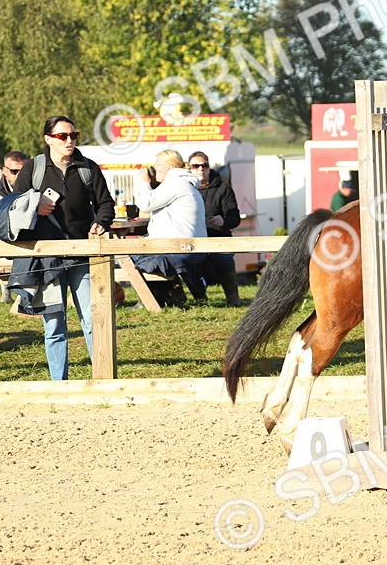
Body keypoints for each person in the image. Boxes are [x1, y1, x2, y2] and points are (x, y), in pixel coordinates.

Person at [13, 116, 115, 380]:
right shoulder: (32, 168)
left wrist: (100, 223)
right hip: (47, 259)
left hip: (81, 256)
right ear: (48, 139)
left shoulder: (87, 168)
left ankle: (102, 379)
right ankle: (60, 383)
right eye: (62, 136)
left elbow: (106, 204)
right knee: (55, 325)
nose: (69, 140)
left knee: (93, 321)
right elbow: (13, 205)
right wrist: (36, 205)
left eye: (73, 135)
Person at [132, 150, 207, 307]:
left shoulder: (176, 183)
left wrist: (144, 182)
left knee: (130, 255)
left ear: (169, 166)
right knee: (141, 250)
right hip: (189, 247)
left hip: (179, 250)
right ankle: (167, 294)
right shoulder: (184, 183)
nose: (154, 169)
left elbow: (145, 203)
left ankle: (158, 297)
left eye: (157, 165)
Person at [189, 151, 243, 307]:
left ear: (208, 167)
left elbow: (235, 218)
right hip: (193, 239)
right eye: (196, 166)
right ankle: (199, 298)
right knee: (185, 262)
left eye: (204, 165)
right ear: (189, 168)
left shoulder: (223, 188)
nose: (200, 169)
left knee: (224, 259)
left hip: (219, 236)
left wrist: (224, 221)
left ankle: (233, 298)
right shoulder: (185, 189)